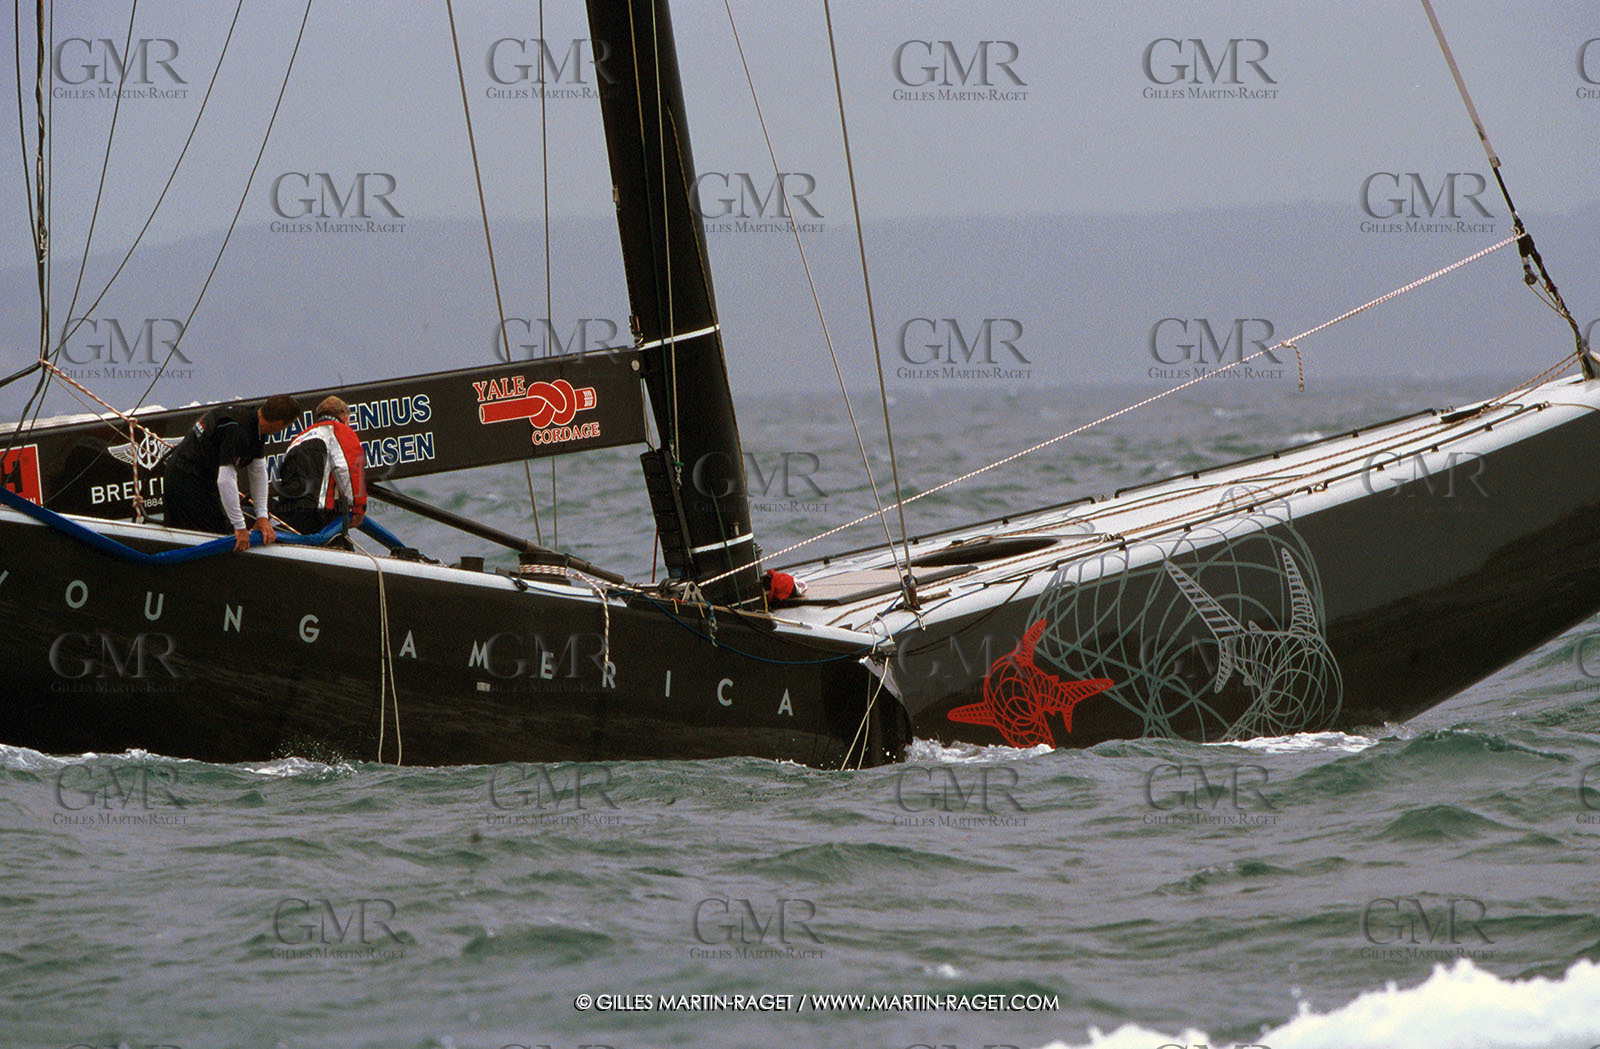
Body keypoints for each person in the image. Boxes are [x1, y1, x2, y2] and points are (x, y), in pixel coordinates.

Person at [163, 394, 300, 551]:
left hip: (204, 478)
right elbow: (225, 480)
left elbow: (258, 472)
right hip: (184, 477)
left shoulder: (256, 424)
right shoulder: (236, 430)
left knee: (219, 524)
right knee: (208, 533)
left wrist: (262, 516)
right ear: (279, 424)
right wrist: (240, 527)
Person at [273, 395, 367, 539]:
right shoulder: (340, 431)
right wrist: (358, 509)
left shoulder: (299, 439)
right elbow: (348, 470)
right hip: (319, 514)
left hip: (290, 512)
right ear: (344, 416)